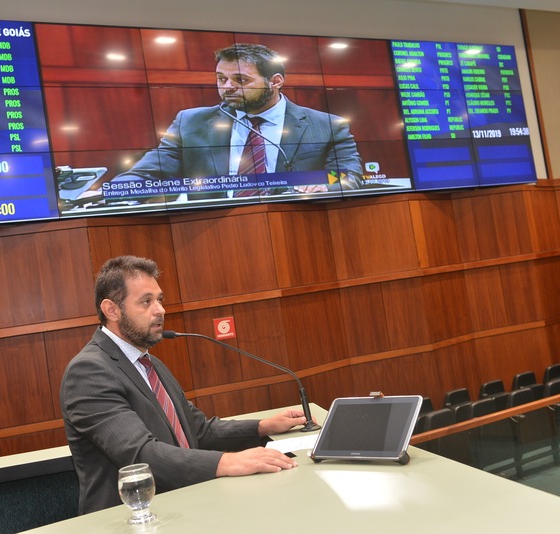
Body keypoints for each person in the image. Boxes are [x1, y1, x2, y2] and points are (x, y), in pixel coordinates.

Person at [60, 255, 307, 514]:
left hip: (184, 503)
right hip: (131, 517)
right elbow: (140, 454)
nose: (160, 310)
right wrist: (228, 462)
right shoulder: (88, 371)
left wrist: (264, 426)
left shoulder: (150, 364)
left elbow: (197, 430)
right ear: (112, 310)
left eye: (160, 300)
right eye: (146, 301)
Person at [108, 42, 363, 201]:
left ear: (275, 81)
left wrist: (324, 184)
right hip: (212, 234)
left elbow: (347, 175)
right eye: (221, 79)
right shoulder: (191, 122)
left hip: (296, 227)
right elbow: (145, 174)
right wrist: (112, 192)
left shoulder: (326, 126)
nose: (227, 87)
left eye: (241, 80)